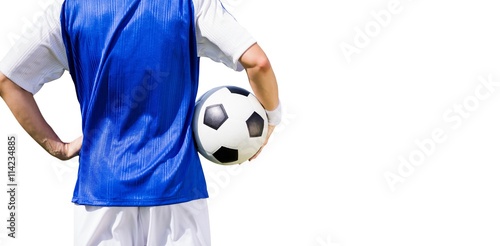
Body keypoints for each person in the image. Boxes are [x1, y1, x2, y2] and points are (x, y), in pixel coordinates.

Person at [0, 0, 281, 245]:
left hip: (101, 192)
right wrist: (270, 120)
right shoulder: (190, 4)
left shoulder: (68, 10)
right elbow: (258, 63)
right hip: (176, 190)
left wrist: (58, 148)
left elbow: (9, 80)